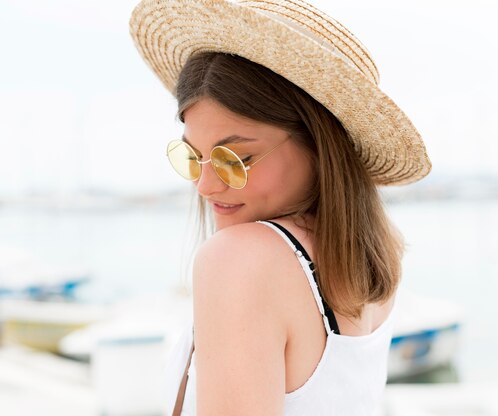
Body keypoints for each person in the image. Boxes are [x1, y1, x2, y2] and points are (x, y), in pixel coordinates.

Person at [129, 0, 431, 415]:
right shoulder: (370, 258)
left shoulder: (241, 258)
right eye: (193, 158)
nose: (205, 185)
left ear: (319, 145)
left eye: (236, 159)